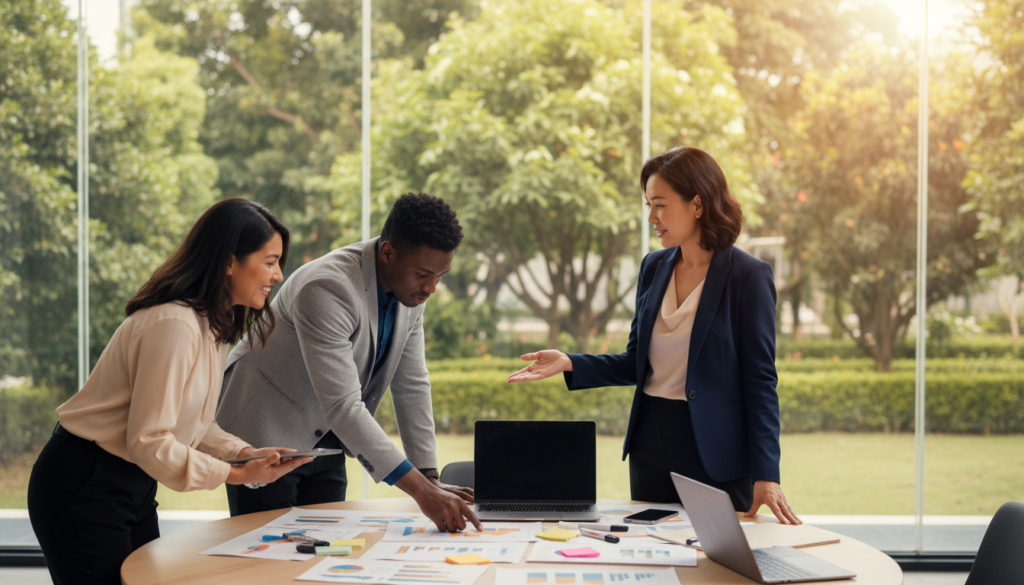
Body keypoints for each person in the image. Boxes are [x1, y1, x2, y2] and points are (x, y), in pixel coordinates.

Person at [507, 147, 802, 525]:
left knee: (715, 568)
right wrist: (569, 362)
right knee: (653, 555)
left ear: (697, 204)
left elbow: (761, 381)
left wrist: (767, 473)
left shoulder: (748, 275)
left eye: (660, 205)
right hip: (651, 443)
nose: (651, 218)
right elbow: (637, 363)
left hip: (715, 451)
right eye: (649, 204)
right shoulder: (653, 267)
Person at [27, 199, 312, 585]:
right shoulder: (173, 324)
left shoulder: (211, 325)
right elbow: (149, 440)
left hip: (131, 484)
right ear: (230, 261)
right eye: (270, 260)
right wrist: (232, 475)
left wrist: (244, 454)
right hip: (84, 481)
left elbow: (196, 423)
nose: (278, 275)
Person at [216, 192, 481, 532]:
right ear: (388, 252)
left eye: (440, 276)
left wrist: (429, 476)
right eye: (423, 274)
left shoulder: (411, 290)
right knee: (267, 557)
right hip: (265, 430)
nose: (431, 287)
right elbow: (343, 405)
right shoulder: (328, 286)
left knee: (328, 549)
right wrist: (420, 491)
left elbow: (411, 382)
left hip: (326, 441)